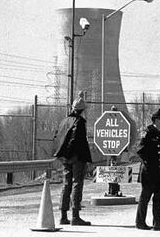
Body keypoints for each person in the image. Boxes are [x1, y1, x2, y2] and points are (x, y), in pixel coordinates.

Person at [54, 92, 92, 226]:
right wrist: (81, 157)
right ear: (82, 110)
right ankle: (75, 216)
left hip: (65, 158)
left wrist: (64, 154)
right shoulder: (80, 122)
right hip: (76, 157)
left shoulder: (64, 121)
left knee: (66, 185)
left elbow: (56, 138)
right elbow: (78, 141)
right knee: (77, 184)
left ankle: (63, 216)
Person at [135, 108, 160, 231]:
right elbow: (140, 150)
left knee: (158, 198)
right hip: (149, 172)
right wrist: (150, 162)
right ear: (157, 119)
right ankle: (140, 222)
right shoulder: (148, 132)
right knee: (145, 197)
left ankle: (158, 224)